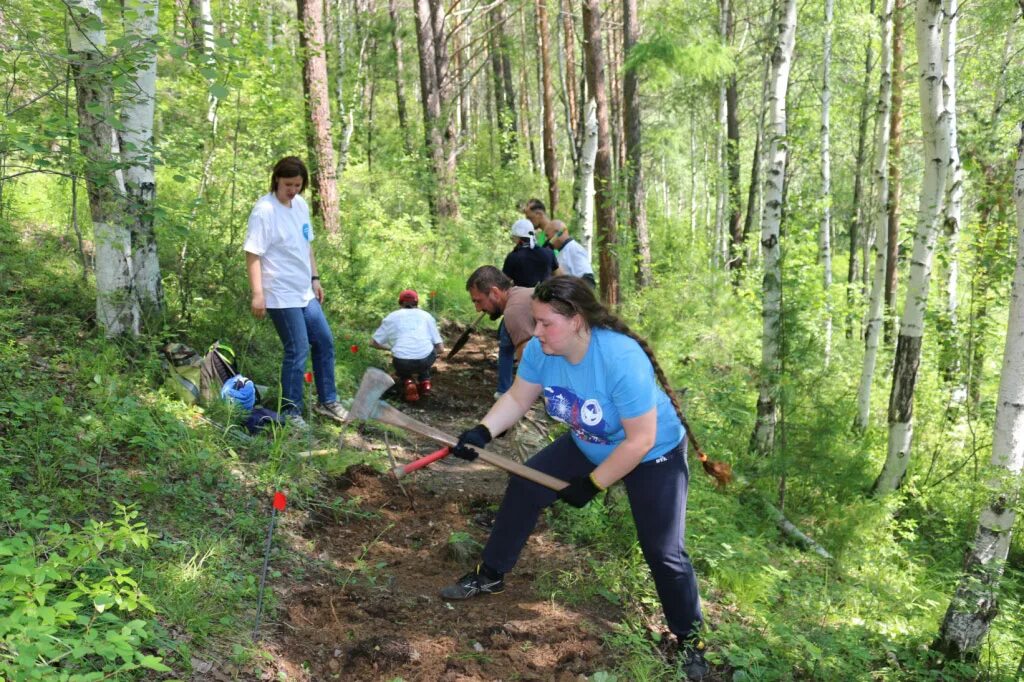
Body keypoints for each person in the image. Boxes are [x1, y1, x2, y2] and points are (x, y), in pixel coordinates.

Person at [440, 276, 731, 681]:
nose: (537, 332)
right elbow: (518, 397)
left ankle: (689, 639)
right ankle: (490, 575)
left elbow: (640, 440)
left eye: (546, 323)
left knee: (663, 550)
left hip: (654, 454)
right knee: (526, 485)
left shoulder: (619, 357)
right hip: (589, 442)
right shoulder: (545, 351)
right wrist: (483, 431)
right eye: (535, 323)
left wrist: (593, 484)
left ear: (576, 320)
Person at [243, 156, 348, 428]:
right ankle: (291, 411)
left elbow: (307, 244)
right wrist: (257, 294)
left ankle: (328, 401)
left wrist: (315, 278)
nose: (293, 190)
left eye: (298, 185)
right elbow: (253, 253)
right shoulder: (264, 210)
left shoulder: (300, 205)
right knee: (297, 348)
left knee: (324, 341)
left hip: (304, 291)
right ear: (277, 178)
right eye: (289, 184)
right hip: (279, 293)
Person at [466, 266, 534, 396]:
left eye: (479, 301)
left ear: (495, 293)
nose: (478, 309)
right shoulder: (519, 294)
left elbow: (529, 367)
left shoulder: (513, 311)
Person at [371, 289, 444, 402]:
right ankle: (425, 383)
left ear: (400, 303)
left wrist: (391, 348)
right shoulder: (427, 316)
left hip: (402, 361)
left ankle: (408, 381)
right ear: (417, 302)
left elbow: (373, 343)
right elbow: (440, 349)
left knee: (400, 360)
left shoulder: (391, 317)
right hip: (425, 360)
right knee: (427, 355)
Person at [502, 219, 558, 288]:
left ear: (517, 237)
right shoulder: (549, 253)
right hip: (546, 296)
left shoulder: (513, 257)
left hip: (523, 297)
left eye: (514, 238)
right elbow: (559, 276)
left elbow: (503, 284)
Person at [544, 220, 595, 289]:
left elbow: (588, 281)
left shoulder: (574, 249)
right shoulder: (563, 251)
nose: (546, 240)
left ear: (557, 233)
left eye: (547, 236)